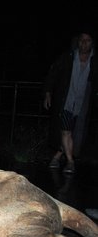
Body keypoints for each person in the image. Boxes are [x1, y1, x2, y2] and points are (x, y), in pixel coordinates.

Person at [43, 30, 97, 173]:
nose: (84, 43)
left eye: (88, 40)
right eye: (82, 40)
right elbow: (53, 73)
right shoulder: (68, 57)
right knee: (66, 132)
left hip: (83, 105)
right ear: (77, 42)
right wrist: (48, 92)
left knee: (72, 134)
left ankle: (56, 157)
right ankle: (70, 162)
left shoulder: (95, 61)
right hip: (66, 101)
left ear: (92, 43)